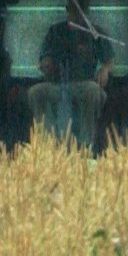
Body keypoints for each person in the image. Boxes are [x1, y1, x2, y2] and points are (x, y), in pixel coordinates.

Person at [27, 9, 113, 151]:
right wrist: (45, 63)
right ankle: (47, 144)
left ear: (86, 8)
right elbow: (44, 58)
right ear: (68, 9)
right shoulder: (55, 31)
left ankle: (86, 145)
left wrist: (105, 69)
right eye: (73, 7)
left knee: (93, 91)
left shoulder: (95, 32)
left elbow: (109, 60)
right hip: (56, 84)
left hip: (83, 84)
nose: (76, 12)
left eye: (80, 7)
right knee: (36, 92)